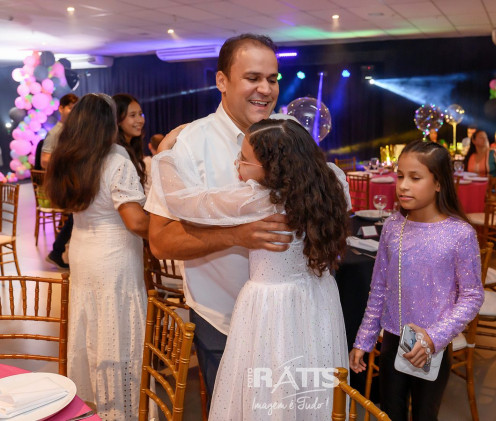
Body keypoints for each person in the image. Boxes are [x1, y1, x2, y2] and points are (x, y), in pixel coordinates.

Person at [153, 118, 350, 420]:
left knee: (269, 387)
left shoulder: (257, 200)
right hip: (318, 300)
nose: (237, 164)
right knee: (311, 380)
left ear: (273, 169)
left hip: (271, 309)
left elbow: (181, 202)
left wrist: (164, 154)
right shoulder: (332, 184)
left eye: (244, 160)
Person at [145, 33, 291, 406]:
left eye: (272, 79)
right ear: (222, 81)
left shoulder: (288, 136)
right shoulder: (188, 145)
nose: (265, 89)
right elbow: (159, 241)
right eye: (253, 78)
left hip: (287, 319)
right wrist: (236, 235)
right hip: (223, 319)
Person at [349, 141, 484, 421]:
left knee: (425, 415)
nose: (403, 186)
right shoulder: (393, 227)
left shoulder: (460, 234)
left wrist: (433, 338)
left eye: (415, 177)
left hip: (433, 346)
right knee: (390, 414)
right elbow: (379, 288)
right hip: (392, 340)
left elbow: (472, 296)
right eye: (400, 176)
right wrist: (364, 339)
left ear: (439, 183)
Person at [45, 93, 149, 419]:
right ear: (109, 124)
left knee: (92, 325)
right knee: (118, 329)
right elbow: (136, 222)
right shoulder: (116, 159)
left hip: (83, 251)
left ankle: (92, 403)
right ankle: (121, 408)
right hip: (114, 256)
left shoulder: (70, 158)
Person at [40, 93, 79, 269]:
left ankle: (59, 252)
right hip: (64, 183)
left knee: (77, 216)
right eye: (70, 107)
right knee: (77, 215)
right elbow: (45, 160)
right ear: (61, 108)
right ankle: (57, 251)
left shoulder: (73, 130)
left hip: (73, 180)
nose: (74, 111)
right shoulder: (56, 132)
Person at [113, 93, 147, 187]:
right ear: (118, 120)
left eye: (140, 114)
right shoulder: (117, 151)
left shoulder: (133, 146)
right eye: (132, 115)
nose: (140, 120)